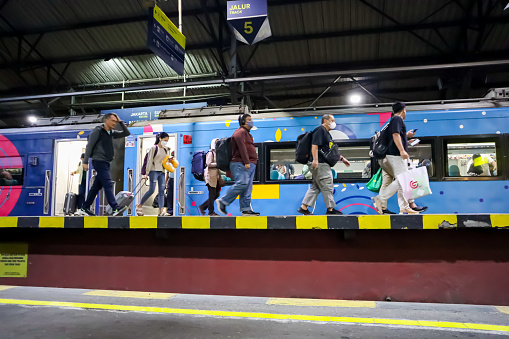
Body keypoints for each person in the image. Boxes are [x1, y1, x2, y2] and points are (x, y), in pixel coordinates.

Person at [373, 102, 427, 215]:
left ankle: (399, 207)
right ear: (403, 110)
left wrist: (407, 139)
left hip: (388, 155)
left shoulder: (392, 120)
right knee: (403, 180)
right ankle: (381, 198)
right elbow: (395, 135)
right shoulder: (397, 119)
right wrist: (402, 150)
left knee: (394, 181)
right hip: (395, 155)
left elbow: (395, 137)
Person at [78, 113, 130, 216]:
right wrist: (85, 162)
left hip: (106, 162)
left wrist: (120, 122)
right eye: (113, 121)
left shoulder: (111, 133)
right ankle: (115, 208)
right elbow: (89, 147)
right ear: (106, 120)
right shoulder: (97, 131)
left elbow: (126, 133)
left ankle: (84, 208)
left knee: (96, 187)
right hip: (99, 161)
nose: (114, 123)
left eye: (115, 121)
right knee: (108, 184)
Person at [298, 114, 350, 215]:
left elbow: (329, 151)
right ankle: (330, 209)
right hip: (320, 163)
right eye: (332, 120)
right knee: (327, 185)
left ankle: (304, 207)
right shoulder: (320, 130)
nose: (334, 123)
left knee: (316, 186)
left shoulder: (327, 133)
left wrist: (342, 159)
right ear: (325, 121)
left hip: (321, 163)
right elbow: (314, 145)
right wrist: (315, 160)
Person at [215, 113, 260, 216]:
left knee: (247, 187)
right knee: (243, 183)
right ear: (243, 122)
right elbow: (242, 147)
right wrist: (247, 161)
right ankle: (223, 201)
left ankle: (246, 210)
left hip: (250, 163)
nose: (251, 122)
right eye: (249, 120)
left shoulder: (247, 133)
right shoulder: (240, 132)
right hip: (240, 163)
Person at [136, 132, 170, 216]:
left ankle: (161, 211)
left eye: (167, 141)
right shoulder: (154, 148)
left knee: (162, 191)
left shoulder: (165, 149)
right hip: (153, 171)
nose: (166, 142)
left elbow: (164, 161)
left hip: (162, 172)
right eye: (165, 140)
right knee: (151, 190)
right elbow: (149, 160)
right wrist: (146, 173)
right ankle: (139, 205)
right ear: (160, 139)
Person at [199, 138, 221, 216]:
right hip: (210, 176)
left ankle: (203, 206)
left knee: (216, 194)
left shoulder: (216, 153)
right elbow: (208, 163)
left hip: (215, 176)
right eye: (216, 143)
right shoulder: (210, 153)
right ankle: (211, 212)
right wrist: (217, 164)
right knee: (212, 194)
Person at [165, 151, 175, 216]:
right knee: (169, 196)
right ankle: (170, 211)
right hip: (170, 180)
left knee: (175, 195)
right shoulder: (169, 163)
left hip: (176, 180)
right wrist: (165, 183)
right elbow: (167, 173)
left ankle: (174, 210)